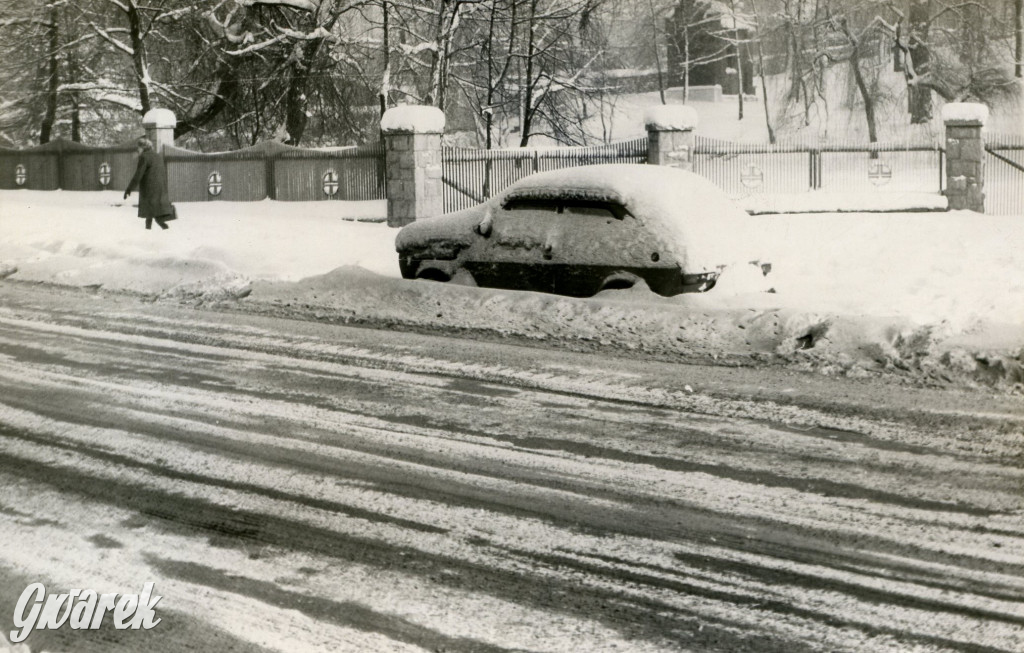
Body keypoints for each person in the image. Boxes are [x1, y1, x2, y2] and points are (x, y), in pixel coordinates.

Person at [124, 137, 176, 230]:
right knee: (151, 213)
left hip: (149, 189)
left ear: (143, 147)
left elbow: (138, 174)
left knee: (154, 214)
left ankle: (166, 231)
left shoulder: (144, 157)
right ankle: (149, 231)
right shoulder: (157, 156)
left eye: (138, 147)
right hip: (160, 189)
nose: (137, 150)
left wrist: (129, 189)